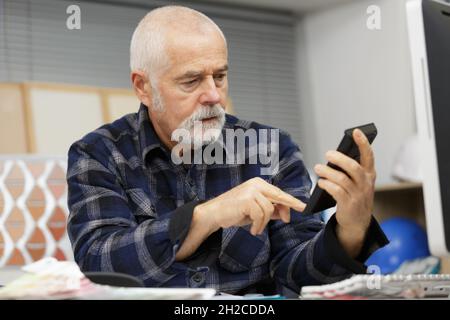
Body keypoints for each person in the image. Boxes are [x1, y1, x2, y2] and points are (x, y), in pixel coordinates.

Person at [67, 5, 388, 295]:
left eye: (219, 77)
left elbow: (299, 275)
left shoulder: (272, 149)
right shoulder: (98, 154)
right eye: (191, 81)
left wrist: (351, 231)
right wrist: (207, 216)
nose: (213, 95)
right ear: (143, 87)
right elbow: (99, 262)